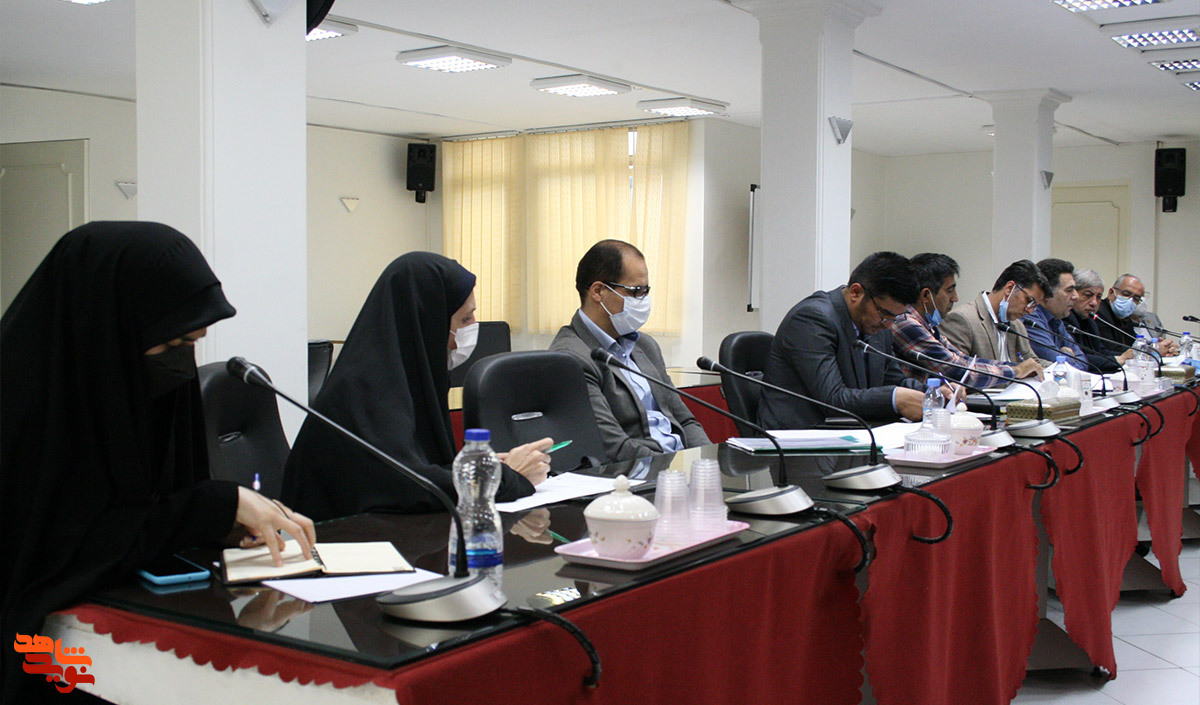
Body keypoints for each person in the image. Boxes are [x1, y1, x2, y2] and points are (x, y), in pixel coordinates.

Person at [1, 222, 316, 704]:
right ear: (107, 326)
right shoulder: (23, 410)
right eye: (171, 346)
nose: (182, 363)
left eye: (193, 344)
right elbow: (58, 552)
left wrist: (223, 525)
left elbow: (149, 516)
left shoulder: (142, 387)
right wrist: (212, 506)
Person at [283, 253, 551, 521]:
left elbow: (423, 468)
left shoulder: (408, 377)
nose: (472, 330)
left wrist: (478, 467)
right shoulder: (365, 390)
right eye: (465, 319)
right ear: (427, 322)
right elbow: (409, 486)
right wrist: (501, 477)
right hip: (340, 540)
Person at [549, 240, 709, 461]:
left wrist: (707, 464)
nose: (644, 300)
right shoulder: (571, 358)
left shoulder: (645, 346)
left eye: (646, 291)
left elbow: (685, 421)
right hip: (639, 472)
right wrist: (672, 472)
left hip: (678, 466)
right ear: (598, 291)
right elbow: (614, 447)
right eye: (637, 291)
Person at [758, 251, 928, 430]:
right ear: (856, 292)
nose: (889, 324)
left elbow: (893, 381)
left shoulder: (877, 324)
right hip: (797, 437)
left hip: (850, 432)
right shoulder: (812, 319)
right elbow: (833, 400)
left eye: (896, 317)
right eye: (884, 314)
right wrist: (895, 399)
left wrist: (934, 394)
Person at [892, 253, 1043, 389]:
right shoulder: (906, 323)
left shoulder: (929, 326)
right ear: (926, 295)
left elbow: (964, 360)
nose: (955, 298)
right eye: (949, 290)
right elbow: (957, 371)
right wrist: (1016, 370)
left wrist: (1018, 368)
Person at [941, 259, 1048, 365]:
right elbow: (958, 369)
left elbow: (1033, 362)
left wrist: (1057, 368)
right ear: (1009, 288)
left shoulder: (1017, 325)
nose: (1030, 311)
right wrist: (1014, 371)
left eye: (1034, 306)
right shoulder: (962, 319)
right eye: (1029, 301)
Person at [1022, 258, 1087, 369]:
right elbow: (1055, 363)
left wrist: (1063, 356)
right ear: (1047, 293)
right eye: (1069, 290)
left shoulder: (1056, 319)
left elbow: (1083, 362)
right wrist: (1068, 354)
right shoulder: (1030, 318)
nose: (1076, 296)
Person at [1094, 273, 1177, 357]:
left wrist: (1159, 347)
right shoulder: (1099, 313)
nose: (1130, 300)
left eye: (1136, 298)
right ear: (1111, 292)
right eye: (1126, 294)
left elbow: (1134, 345)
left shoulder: (1125, 318)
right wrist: (1153, 351)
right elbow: (1111, 350)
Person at [1064, 269, 1129, 373]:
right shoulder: (1066, 318)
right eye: (1087, 295)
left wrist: (1127, 356)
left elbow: (1100, 351)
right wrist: (1117, 359)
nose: (1094, 302)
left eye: (1099, 297)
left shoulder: (1090, 320)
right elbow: (1078, 357)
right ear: (1074, 294)